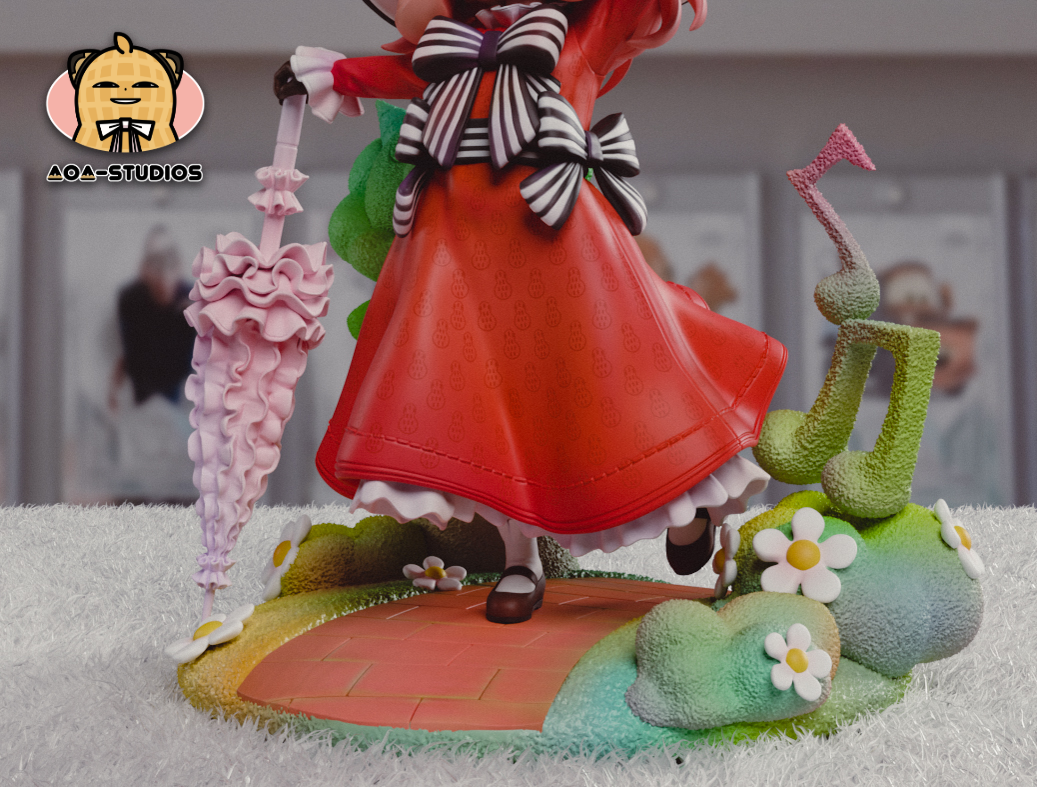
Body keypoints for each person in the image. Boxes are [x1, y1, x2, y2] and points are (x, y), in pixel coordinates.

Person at [276, 0, 786, 623]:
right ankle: (521, 560)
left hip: (556, 238)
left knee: (618, 383)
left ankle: (687, 507)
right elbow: (400, 73)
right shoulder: (447, 47)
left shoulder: (579, 37)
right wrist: (331, 74)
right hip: (459, 249)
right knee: (490, 411)